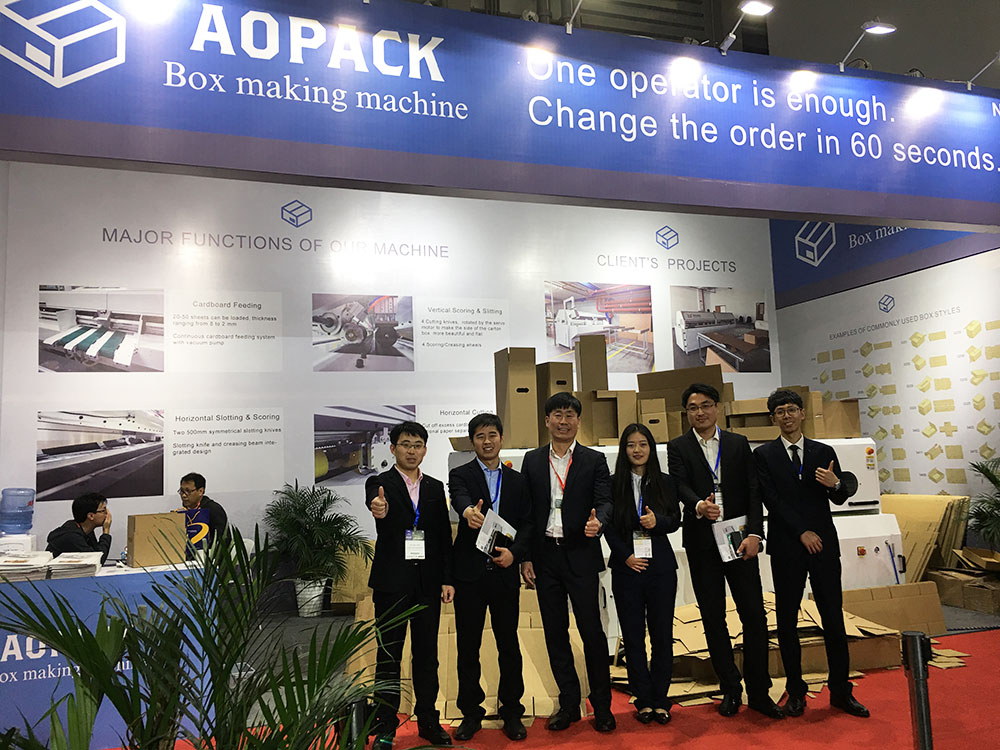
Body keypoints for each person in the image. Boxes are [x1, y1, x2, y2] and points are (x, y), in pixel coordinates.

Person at [667, 383, 783, 719]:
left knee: (754, 616)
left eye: (705, 405)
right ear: (686, 413)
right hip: (702, 543)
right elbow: (679, 483)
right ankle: (730, 689)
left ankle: (759, 692)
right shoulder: (678, 447)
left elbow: (753, 490)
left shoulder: (737, 443)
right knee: (713, 617)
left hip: (739, 541)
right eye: (693, 407)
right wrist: (698, 504)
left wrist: (756, 533)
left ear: (717, 408)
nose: (700, 412)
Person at [754, 389, 870, 719]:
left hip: (823, 545)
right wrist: (801, 532)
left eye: (792, 409)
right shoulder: (763, 455)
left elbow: (838, 498)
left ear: (802, 413)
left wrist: (835, 484)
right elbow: (771, 500)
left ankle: (841, 691)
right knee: (787, 621)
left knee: (833, 617)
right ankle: (796, 692)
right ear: (773, 418)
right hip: (787, 546)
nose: (787, 416)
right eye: (780, 411)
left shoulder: (824, 451)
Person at [519, 392, 615, 733]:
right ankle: (569, 704)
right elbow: (527, 513)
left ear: (578, 421)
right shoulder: (532, 460)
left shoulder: (594, 460)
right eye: (557, 415)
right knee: (555, 633)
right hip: (545, 557)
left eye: (570, 415)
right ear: (547, 421)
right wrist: (525, 556)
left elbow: (606, 501)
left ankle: (602, 706)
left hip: (581, 554)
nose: (563, 421)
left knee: (592, 632)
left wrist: (599, 522)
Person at [365, 421, 454, 749]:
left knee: (427, 655)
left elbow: (443, 536)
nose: (412, 451)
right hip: (392, 583)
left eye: (417, 445)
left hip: (427, 584)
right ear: (393, 449)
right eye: (405, 444)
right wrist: (378, 508)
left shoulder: (434, 487)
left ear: (425, 450)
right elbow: (375, 504)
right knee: (388, 655)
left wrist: (447, 578)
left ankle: (428, 721)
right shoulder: (380, 483)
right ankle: (385, 725)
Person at [448, 413, 530, 742]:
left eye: (492, 435)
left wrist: (516, 555)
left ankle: (512, 712)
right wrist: (468, 511)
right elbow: (460, 498)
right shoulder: (461, 474)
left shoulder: (518, 481)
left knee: (508, 645)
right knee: (468, 647)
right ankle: (471, 713)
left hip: (504, 572)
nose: (487, 441)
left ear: (501, 438)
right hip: (469, 574)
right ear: (473, 442)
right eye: (480, 436)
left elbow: (528, 523)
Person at [603, 423, 680, 725]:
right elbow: (608, 526)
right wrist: (626, 556)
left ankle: (661, 699)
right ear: (624, 450)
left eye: (643, 444)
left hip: (660, 568)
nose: (637, 450)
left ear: (651, 448)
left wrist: (657, 521)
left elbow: (675, 519)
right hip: (627, 568)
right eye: (631, 445)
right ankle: (643, 699)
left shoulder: (665, 481)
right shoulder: (613, 484)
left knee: (662, 635)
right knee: (633, 637)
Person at [45, 492, 113, 564]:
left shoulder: (86, 530)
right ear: (91, 516)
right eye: (104, 511)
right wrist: (106, 531)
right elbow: (98, 561)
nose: (107, 514)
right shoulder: (72, 536)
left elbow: (96, 553)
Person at [177, 472, 228, 548]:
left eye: (188, 491)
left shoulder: (213, 509)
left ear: (200, 491)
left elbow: (223, 540)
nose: (183, 495)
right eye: (182, 491)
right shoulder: (182, 512)